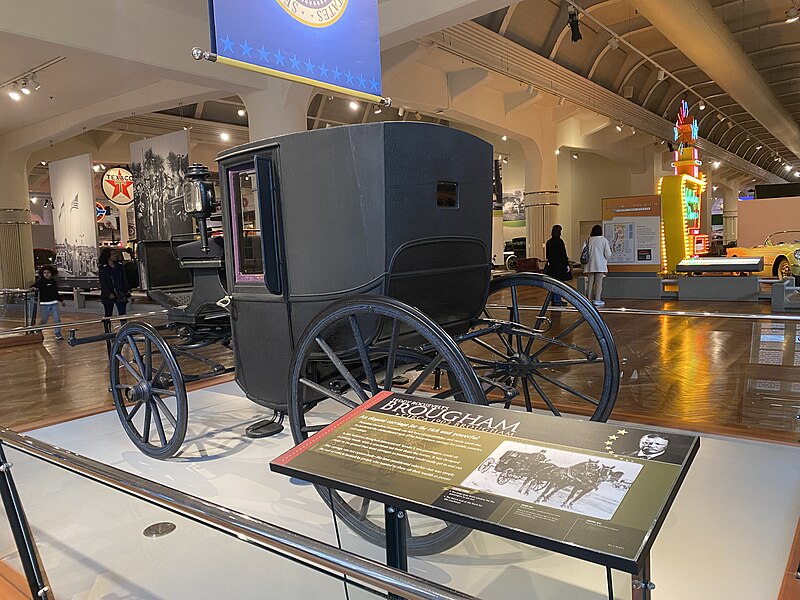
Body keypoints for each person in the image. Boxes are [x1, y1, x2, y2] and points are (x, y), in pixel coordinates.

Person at [30, 265, 65, 340]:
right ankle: (38, 330)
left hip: (54, 303)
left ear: (51, 273)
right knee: (44, 320)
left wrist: (61, 300)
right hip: (44, 304)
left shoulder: (53, 282)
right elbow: (32, 286)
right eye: (44, 273)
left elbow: (56, 293)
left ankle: (57, 333)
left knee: (57, 319)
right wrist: (33, 288)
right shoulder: (40, 281)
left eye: (48, 272)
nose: (46, 274)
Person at [583, 224, 611, 307]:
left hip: (589, 265)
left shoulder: (588, 240)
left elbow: (583, 251)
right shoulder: (604, 240)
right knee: (599, 284)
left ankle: (588, 299)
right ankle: (597, 299)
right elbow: (608, 254)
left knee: (590, 283)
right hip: (600, 265)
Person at [98, 247, 130, 317]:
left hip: (120, 292)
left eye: (115, 254)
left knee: (123, 314)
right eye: (113, 254)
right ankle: (107, 327)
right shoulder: (103, 268)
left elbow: (124, 278)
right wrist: (108, 293)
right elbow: (103, 282)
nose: (115, 255)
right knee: (108, 314)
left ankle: (123, 326)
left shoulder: (119, 266)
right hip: (109, 294)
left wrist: (126, 289)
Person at [544, 224, 571, 306]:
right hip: (560, 266)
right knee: (559, 283)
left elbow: (547, 256)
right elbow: (563, 254)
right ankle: (557, 300)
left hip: (552, 266)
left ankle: (553, 299)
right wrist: (567, 264)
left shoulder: (549, 242)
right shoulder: (560, 241)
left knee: (553, 283)